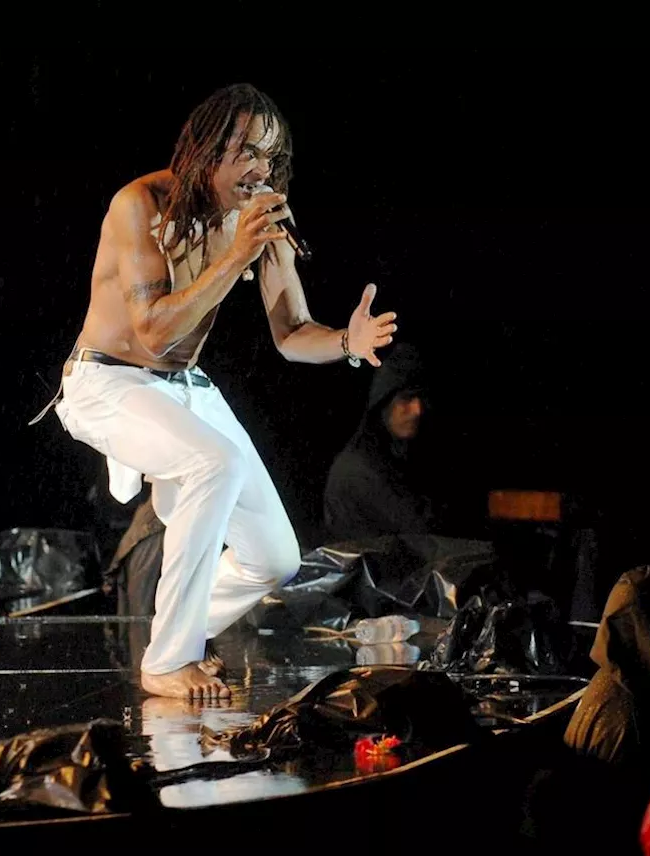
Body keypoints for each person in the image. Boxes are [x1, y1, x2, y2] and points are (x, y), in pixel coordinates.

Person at [35, 83, 397, 700]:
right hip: (106, 381)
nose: (260, 170)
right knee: (215, 461)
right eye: (246, 153)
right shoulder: (141, 204)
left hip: (182, 388)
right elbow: (151, 334)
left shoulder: (258, 218)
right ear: (206, 149)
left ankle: (177, 633)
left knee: (274, 557)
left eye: (271, 157)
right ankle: (168, 661)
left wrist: (345, 340)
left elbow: (291, 332)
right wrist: (233, 256)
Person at [322, 342, 440, 542]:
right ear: (383, 404)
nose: (417, 410)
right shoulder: (358, 473)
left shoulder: (407, 459)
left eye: (421, 398)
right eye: (406, 399)